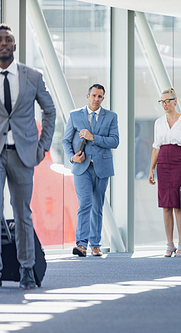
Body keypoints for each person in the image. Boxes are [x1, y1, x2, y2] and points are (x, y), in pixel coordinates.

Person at [0, 24, 56, 289]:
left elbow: (50, 111)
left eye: (8, 39)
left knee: (22, 213)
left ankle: (25, 270)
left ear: (14, 44)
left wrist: (42, 146)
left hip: (23, 154)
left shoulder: (32, 76)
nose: (4, 43)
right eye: (0, 39)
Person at [62, 84, 119, 257]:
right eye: (94, 95)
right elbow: (65, 141)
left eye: (100, 96)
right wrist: (72, 157)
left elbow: (114, 141)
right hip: (82, 167)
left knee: (98, 206)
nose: (96, 99)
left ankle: (95, 244)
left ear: (103, 98)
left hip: (102, 167)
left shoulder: (111, 117)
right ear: (87, 96)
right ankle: (81, 245)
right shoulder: (74, 115)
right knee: (85, 203)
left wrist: (92, 137)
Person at [148, 88, 181, 257]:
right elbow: (156, 148)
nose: (165, 104)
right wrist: (151, 169)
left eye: (167, 101)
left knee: (178, 205)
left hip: (178, 163)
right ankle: (169, 243)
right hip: (163, 165)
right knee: (166, 205)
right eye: (162, 102)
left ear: (175, 101)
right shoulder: (158, 122)